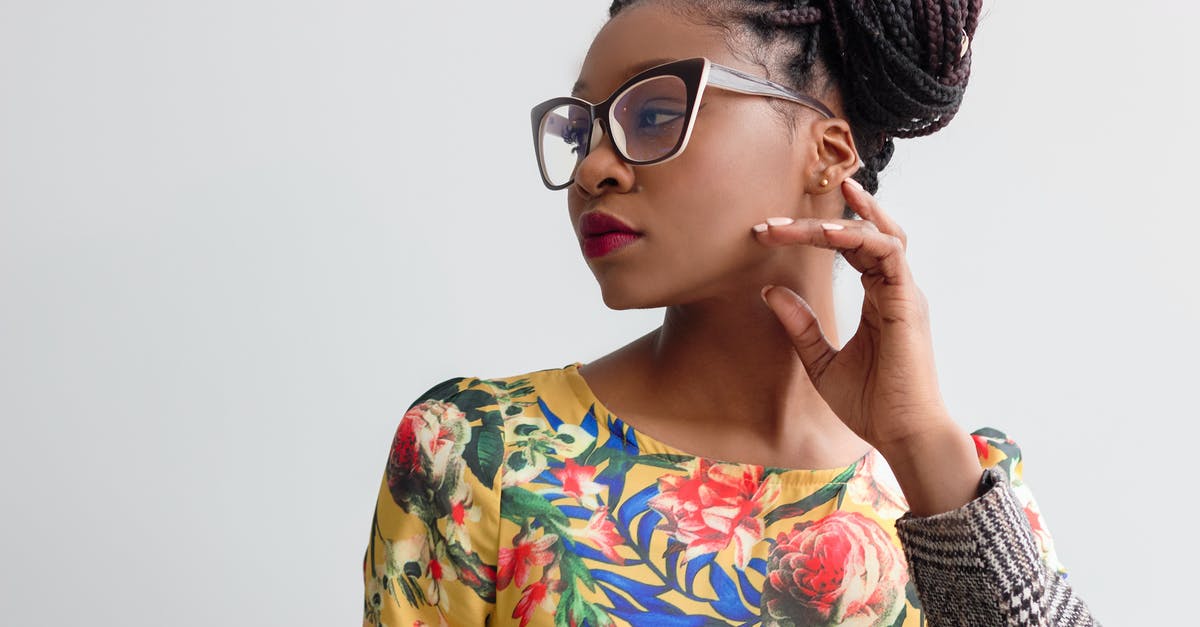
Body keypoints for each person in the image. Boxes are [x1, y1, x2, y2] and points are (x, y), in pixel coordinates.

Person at [363, 0, 1099, 625]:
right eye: (583, 128)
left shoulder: (963, 485)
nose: (593, 167)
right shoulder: (480, 455)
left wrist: (921, 449)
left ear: (827, 151)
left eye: (652, 114)